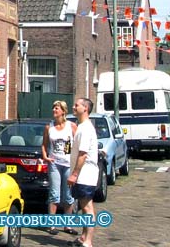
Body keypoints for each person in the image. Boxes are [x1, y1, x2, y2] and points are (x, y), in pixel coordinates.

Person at [42, 100, 77, 236]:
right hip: (54, 164)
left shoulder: (72, 126)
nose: (54, 111)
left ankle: (68, 225)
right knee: (54, 194)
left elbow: (79, 143)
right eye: (53, 108)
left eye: (56, 108)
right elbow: (44, 144)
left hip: (68, 163)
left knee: (68, 195)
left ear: (63, 111)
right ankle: (52, 224)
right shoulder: (49, 127)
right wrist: (45, 156)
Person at [68, 97, 98, 247]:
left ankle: (88, 241)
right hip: (83, 174)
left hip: (85, 174)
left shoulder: (86, 128)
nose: (73, 107)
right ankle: (84, 236)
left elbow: (83, 154)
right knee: (85, 205)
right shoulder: (81, 126)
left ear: (85, 108)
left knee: (87, 207)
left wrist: (74, 174)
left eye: (76, 105)